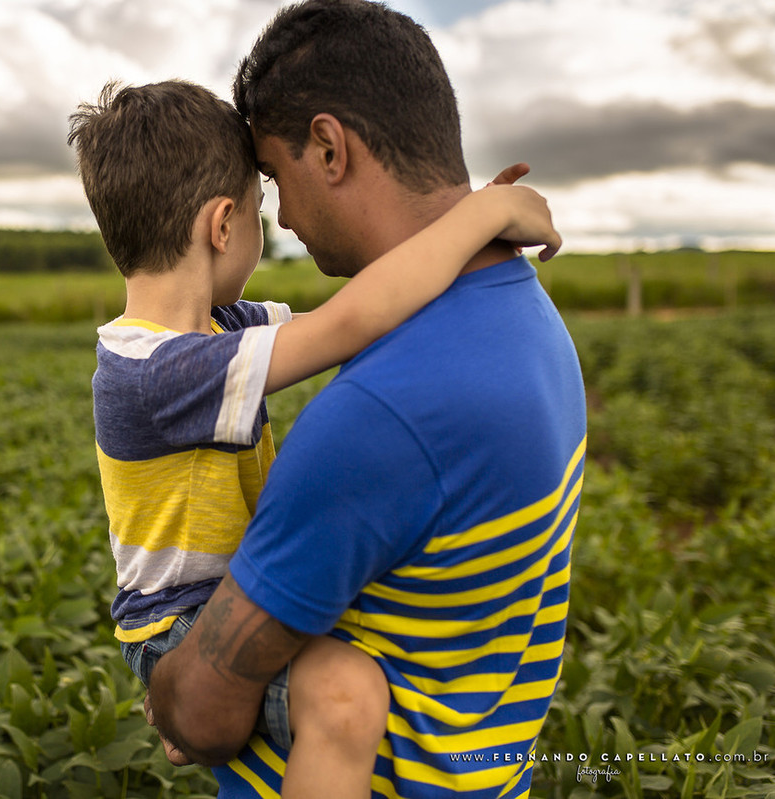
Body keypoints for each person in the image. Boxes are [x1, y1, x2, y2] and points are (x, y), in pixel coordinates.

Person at [68, 76, 561, 799]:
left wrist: (457, 229)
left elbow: (372, 296)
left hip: (222, 600)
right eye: (261, 204)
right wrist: (478, 217)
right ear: (223, 225)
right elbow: (352, 320)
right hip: (178, 625)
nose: (278, 223)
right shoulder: (158, 373)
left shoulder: (218, 329)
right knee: (346, 696)